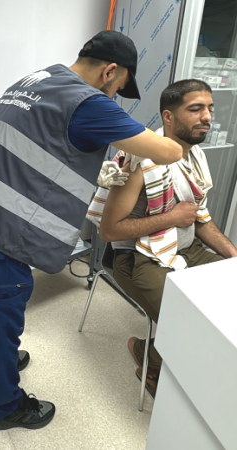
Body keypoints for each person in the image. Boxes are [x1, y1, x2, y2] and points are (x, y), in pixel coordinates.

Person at [0, 30, 182, 431]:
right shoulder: (89, 102)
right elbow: (170, 151)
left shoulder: (38, 78)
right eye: (118, 86)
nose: (115, 95)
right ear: (109, 71)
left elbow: (40, 147)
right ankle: (6, 406)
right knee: (2, 313)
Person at [99, 79, 237, 396]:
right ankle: (150, 361)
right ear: (169, 117)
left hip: (187, 248)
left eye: (210, 109)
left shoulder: (195, 158)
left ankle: (180, 357)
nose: (207, 117)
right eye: (196, 109)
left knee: (229, 305)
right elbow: (109, 231)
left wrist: (233, 255)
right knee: (193, 320)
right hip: (140, 258)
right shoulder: (140, 161)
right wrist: (172, 218)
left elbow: (199, 218)